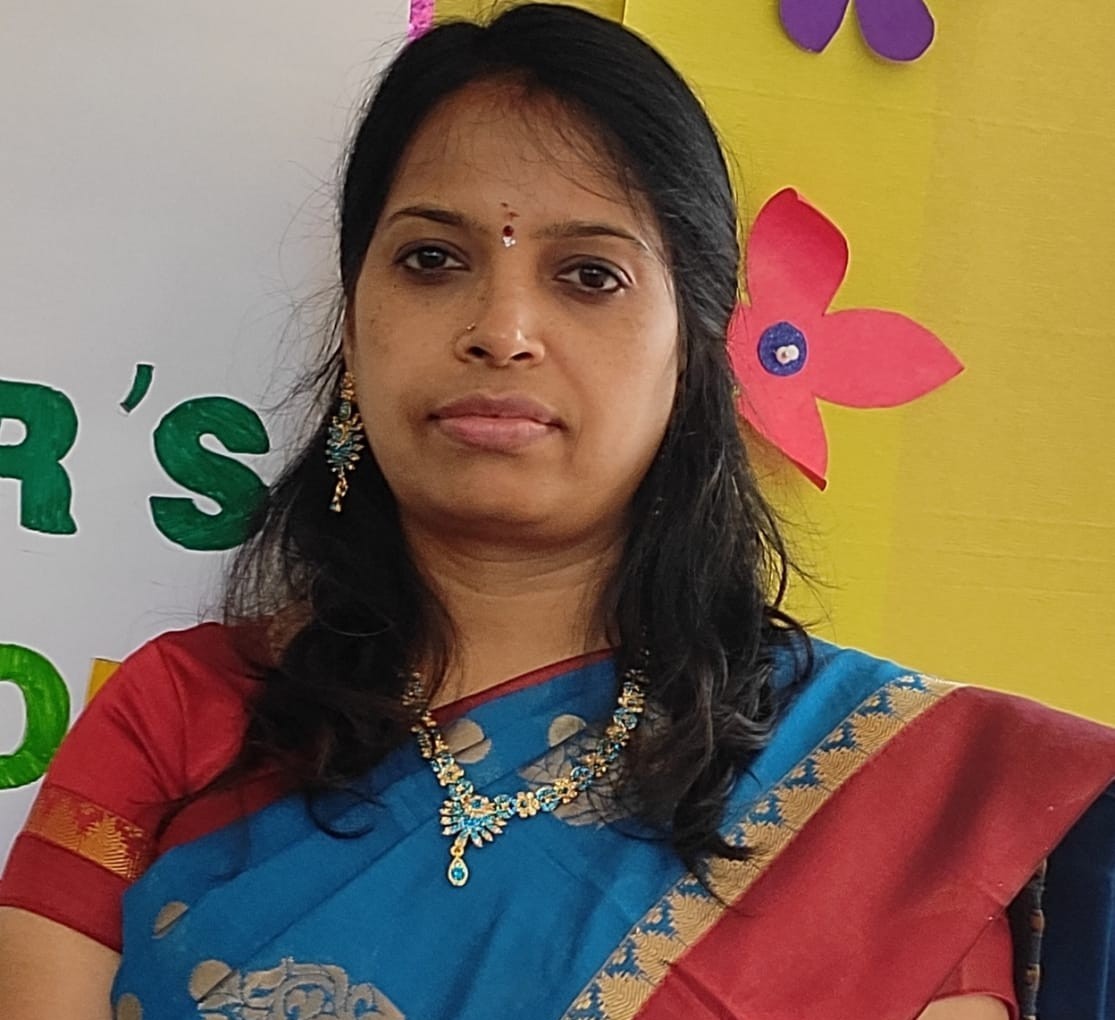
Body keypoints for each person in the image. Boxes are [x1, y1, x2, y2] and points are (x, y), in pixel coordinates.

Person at [1, 4, 1112, 1018]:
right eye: (430, 259)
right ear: (352, 327)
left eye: (589, 276)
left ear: (692, 355)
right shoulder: (180, 719)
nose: (501, 329)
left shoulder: (875, 808)